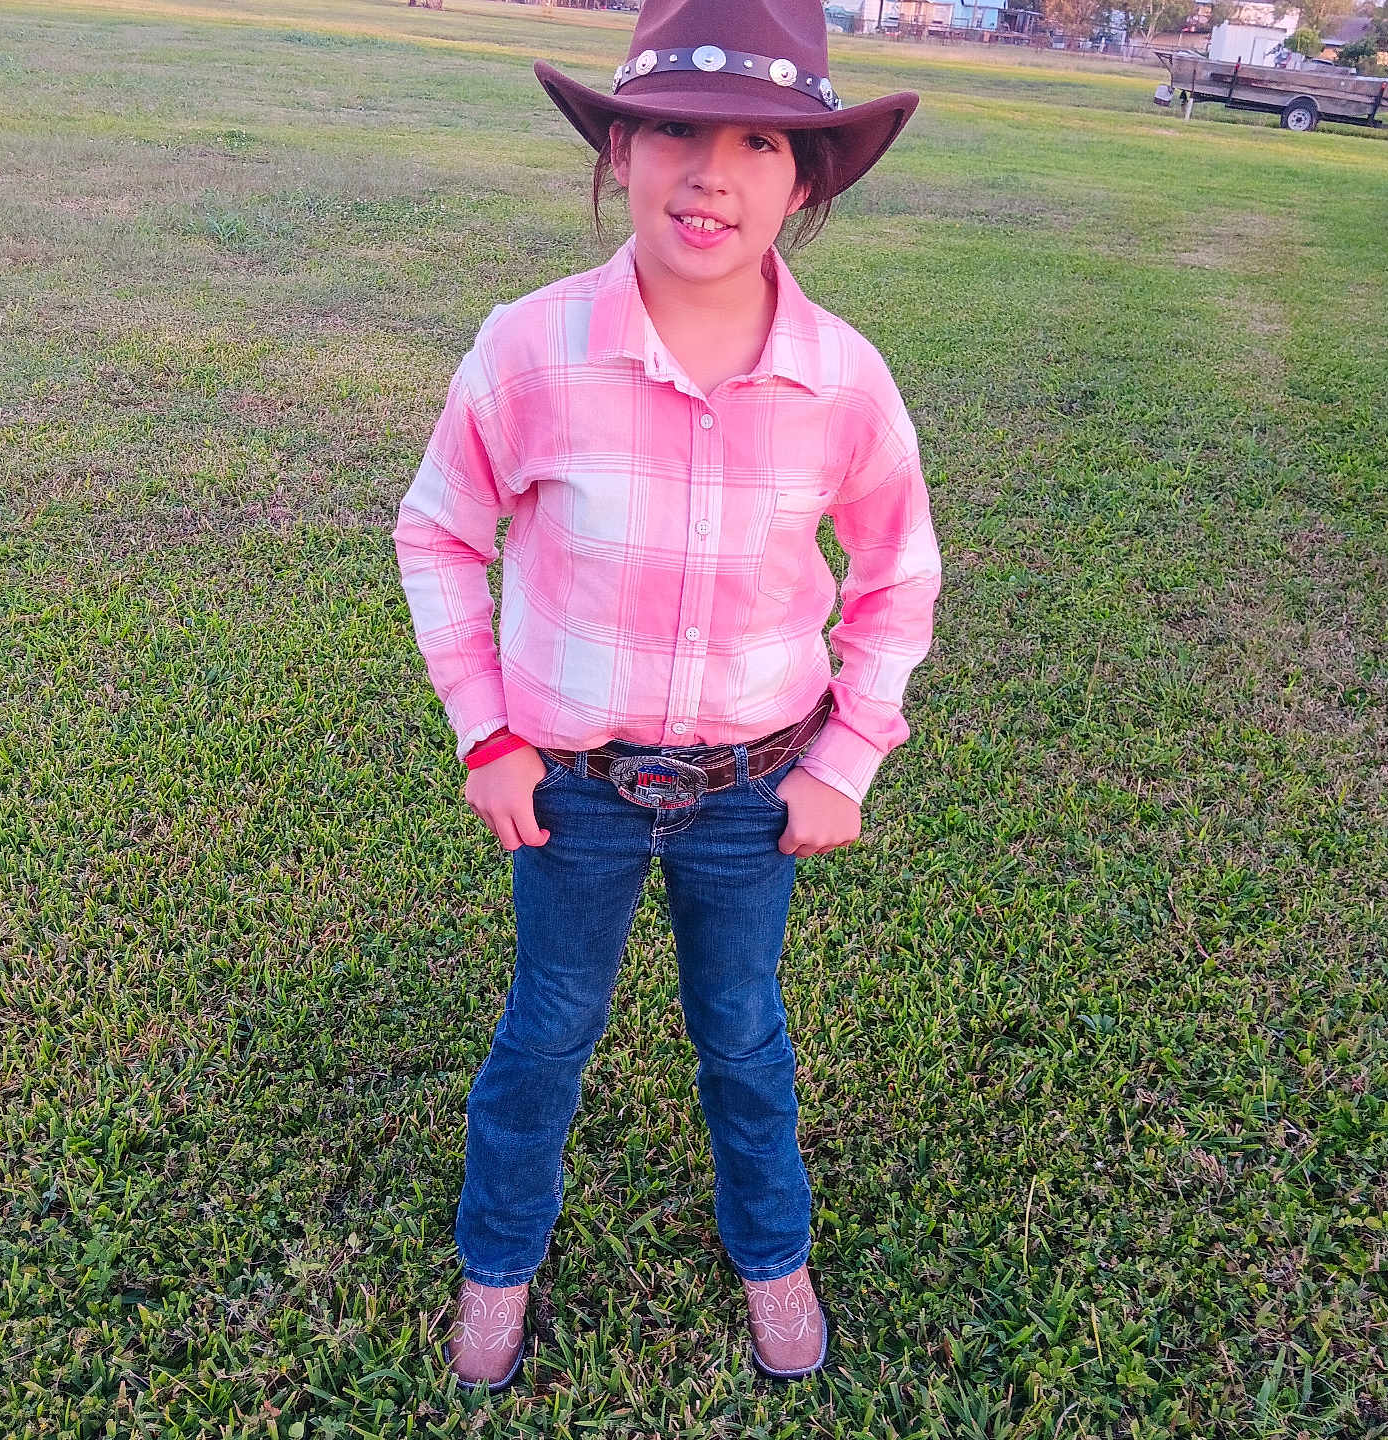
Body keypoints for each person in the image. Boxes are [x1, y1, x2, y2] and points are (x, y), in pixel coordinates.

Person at [391, 0, 941, 1392]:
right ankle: (497, 1263)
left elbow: (897, 575)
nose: (714, 174)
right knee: (546, 1031)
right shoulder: (530, 348)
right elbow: (441, 532)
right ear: (618, 150)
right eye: (675, 134)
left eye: (759, 140)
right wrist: (488, 734)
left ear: (807, 176)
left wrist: (847, 758)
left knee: (744, 1036)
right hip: (567, 790)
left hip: (754, 795)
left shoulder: (844, 383)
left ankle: (774, 1254)